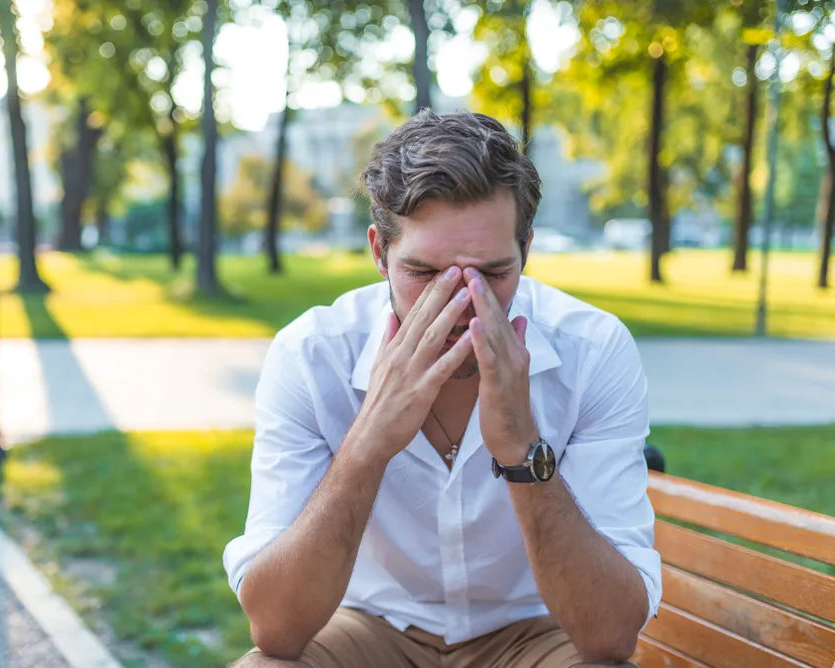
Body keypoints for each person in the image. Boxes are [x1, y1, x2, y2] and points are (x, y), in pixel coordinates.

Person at [223, 109, 660, 668]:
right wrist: (369, 441)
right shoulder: (312, 354)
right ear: (379, 251)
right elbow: (276, 630)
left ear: (526, 247)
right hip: (372, 627)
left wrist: (524, 452)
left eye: (493, 273)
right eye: (426, 274)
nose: (460, 304)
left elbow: (610, 638)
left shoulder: (592, 349)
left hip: (533, 634)